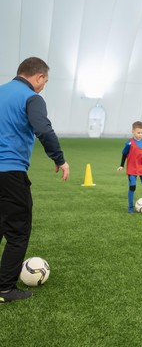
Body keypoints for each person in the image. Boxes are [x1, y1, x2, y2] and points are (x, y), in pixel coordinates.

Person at [0, 57, 70, 303]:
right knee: (18, 233)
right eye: (45, 81)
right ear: (38, 77)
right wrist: (59, 159)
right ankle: (5, 289)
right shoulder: (32, 97)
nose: (43, 86)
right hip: (11, 172)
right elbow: (43, 128)